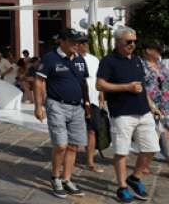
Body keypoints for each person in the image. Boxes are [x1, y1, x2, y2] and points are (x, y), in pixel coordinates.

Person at [97, 26, 160, 202]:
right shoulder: (108, 61)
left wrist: (151, 105)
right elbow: (100, 85)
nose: (132, 44)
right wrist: (126, 87)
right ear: (118, 42)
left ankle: (135, 177)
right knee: (122, 152)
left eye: (134, 41)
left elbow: (142, 87)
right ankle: (122, 187)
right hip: (122, 113)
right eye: (128, 41)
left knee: (152, 148)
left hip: (143, 111)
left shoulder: (137, 60)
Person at [34, 28, 90, 198]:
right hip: (57, 104)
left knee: (74, 145)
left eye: (79, 42)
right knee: (61, 145)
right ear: (62, 41)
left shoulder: (80, 60)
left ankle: (67, 179)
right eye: (73, 41)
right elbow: (39, 81)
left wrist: (87, 102)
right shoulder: (50, 58)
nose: (77, 45)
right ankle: (55, 177)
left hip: (77, 107)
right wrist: (38, 106)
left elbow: (83, 83)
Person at [77, 34, 105, 173]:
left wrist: (101, 97)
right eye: (82, 43)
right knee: (74, 131)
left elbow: (99, 79)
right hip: (77, 100)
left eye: (86, 43)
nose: (85, 46)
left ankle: (90, 162)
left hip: (93, 99)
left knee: (92, 130)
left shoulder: (94, 59)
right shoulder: (72, 59)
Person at [140, 40, 169, 164]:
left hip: (166, 105)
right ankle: (143, 165)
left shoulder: (161, 65)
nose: (159, 52)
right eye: (157, 49)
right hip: (149, 105)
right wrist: (150, 104)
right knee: (152, 136)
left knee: (165, 133)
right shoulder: (141, 65)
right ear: (148, 51)